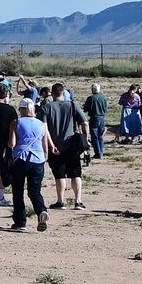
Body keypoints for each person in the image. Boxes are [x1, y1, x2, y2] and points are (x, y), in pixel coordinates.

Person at [7, 98, 55, 232]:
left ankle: (20, 222)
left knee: (18, 191)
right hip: (38, 160)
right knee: (34, 191)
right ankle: (41, 211)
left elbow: (12, 144)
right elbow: (45, 146)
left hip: (21, 159)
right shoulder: (41, 124)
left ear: (22, 109)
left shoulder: (16, 122)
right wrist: (45, 159)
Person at [41, 82, 88, 211]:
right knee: (76, 173)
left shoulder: (47, 107)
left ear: (52, 93)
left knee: (59, 175)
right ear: (63, 92)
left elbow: (45, 129)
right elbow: (84, 122)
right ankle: (78, 201)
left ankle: (61, 201)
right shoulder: (73, 105)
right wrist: (86, 138)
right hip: (72, 145)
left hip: (56, 146)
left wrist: (50, 145)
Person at [82, 83, 109, 160]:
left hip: (94, 118)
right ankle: (101, 151)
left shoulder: (91, 98)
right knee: (100, 136)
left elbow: (85, 109)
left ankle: (98, 153)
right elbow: (106, 109)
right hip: (102, 118)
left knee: (95, 137)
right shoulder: (103, 98)